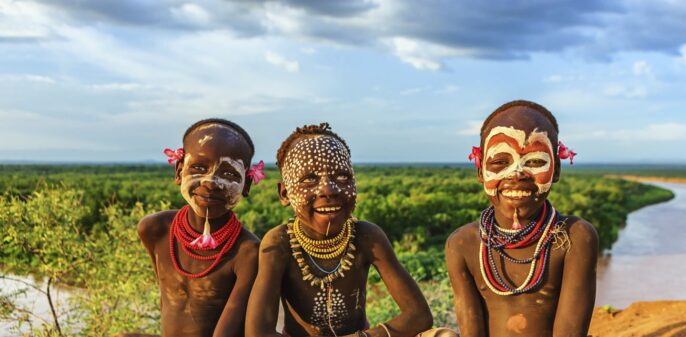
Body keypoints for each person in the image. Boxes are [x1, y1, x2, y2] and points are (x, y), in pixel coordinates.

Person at [245, 123, 439, 337]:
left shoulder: (366, 236)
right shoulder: (279, 243)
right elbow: (257, 333)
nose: (328, 190)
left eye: (342, 177)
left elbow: (419, 316)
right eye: (310, 179)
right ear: (284, 194)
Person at [445, 100, 598, 336]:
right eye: (500, 162)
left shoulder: (574, 237)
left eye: (535, 161)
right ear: (480, 171)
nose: (517, 174)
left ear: (556, 169)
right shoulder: (462, 244)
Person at [137, 118, 264, 337]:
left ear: (246, 185)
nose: (211, 182)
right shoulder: (155, 230)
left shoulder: (248, 252)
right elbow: (167, 303)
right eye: (199, 168)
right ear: (179, 172)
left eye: (229, 173)